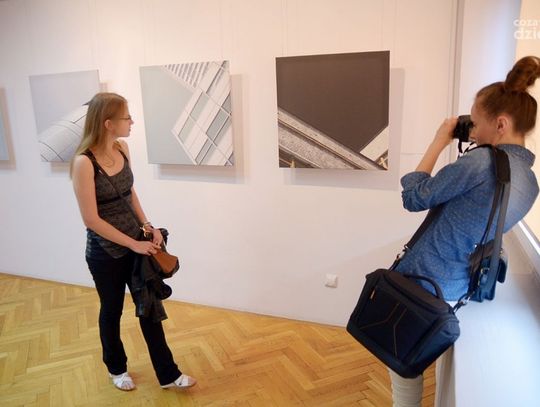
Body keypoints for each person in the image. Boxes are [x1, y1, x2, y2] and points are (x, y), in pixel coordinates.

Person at [390, 56, 540, 407]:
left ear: (500, 124)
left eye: (476, 121)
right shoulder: (530, 183)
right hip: (459, 287)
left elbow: (414, 198)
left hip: (424, 279)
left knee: (403, 368)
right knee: (424, 356)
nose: (472, 129)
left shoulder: (480, 162)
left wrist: (439, 140)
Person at [70, 92, 196, 391]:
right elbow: (91, 219)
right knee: (111, 310)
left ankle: (168, 374)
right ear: (108, 123)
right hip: (106, 253)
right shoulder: (83, 163)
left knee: (149, 308)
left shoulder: (122, 148)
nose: (132, 122)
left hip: (136, 243)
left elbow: (129, 193)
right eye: (127, 117)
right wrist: (132, 243)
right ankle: (116, 369)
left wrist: (147, 226)